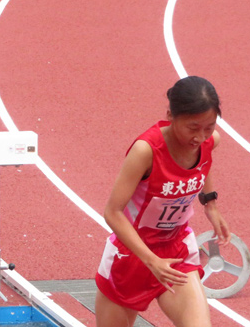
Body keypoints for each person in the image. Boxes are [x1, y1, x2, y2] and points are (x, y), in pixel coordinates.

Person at [94, 76, 231, 327]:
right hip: (132, 255)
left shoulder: (210, 142)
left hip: (176, 249)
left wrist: (210, 204)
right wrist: (151, 260)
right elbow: (112, 212)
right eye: (193, 128)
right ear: (170, 115)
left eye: (209, 127)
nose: (201, 137)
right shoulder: (146, 151)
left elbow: (204, 161)